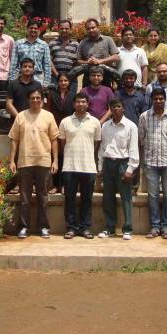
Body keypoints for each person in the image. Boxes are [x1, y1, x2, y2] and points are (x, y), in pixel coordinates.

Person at [8, 88, 60, 239]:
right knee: (24, 198)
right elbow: (14, 140)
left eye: (38, 98)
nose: (35, 100)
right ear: (28, 100)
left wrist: (55, 160)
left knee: (42, 197)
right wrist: (12, 160)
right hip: (25, 161)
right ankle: (23, 227)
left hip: (43, 161)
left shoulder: (48, 116)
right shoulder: (20, 117)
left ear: (42, 100)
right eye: (32, 98)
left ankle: (43, 227)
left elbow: (54, 140)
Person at [138, 87, 167, 239]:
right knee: (153, 195)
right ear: (152, 100)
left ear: (165, 100)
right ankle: (155, 226)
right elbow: (141, 139)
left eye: (161, 99)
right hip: (151, 161)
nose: (158, 101)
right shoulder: (144, 117)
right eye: (156, 99)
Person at [59, 92, 102, 239]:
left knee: (87, 199)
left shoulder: (95, 122)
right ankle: (71, 228)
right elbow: (62, 143)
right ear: (73, 104)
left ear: (88, 104)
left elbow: (96, 143)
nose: (81, 104)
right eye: (78, 102)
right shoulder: (65, 122)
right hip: (70, 166)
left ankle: (85, 228)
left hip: (88, 166)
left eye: (84, 102)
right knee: (69, 199)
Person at [98, 99, 139, 240]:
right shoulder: (105, 127)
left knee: (126, 197)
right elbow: (103, 148)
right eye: (113, 107)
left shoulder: (130, 126)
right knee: (107, 198)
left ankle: (127, 228)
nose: (115, 109)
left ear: (123, 108)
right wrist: (100, 167)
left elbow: (133, 149)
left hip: (123, 163)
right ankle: (109, 228)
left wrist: (130, 169)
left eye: (118, 107)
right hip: (108, 163)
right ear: (109, 109)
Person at [116, 69, 149, 192]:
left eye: (131, 78)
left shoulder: (140, 96)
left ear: (135, 80)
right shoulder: (118, 94)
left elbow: (143, 115)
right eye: (127, 78)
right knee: (121, 156)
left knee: (135, 157)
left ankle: (134, 185)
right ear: (123, 80)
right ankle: (120, 183)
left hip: (135, 131)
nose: (129, 80)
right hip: (120, 130)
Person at [46, 72, 76, 193]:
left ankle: (64, 185)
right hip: (54, 128)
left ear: (69, 83)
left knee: (66, 156)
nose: (63, 83)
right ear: (57, 82)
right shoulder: (52, 95)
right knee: (55, 156)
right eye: (61, 81)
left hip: (69, 129)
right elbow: (48, 111)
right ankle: (54, 186)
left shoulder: (74, 95)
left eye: (65, 81)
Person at [72, 18, 120, 87]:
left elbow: (116, 57)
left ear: (98, 27)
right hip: (88, 77)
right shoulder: (83, 42)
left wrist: (100, 61)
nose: (91, 30)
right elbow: (77, 60)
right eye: (88, 29)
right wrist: (87, 62)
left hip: (105, 75)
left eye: (93, 27)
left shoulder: (108, 39)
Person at [9, 19, 51, 86]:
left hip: (38, 79)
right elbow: (13, 64)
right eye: (31, 28)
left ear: (38, 30)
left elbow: (47, 65)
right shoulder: (18, 43)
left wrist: (46, 82)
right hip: (21, 79)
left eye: (35, 28)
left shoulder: (44, 45)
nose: (33, 30)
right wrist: (12, 81)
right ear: (27, 29)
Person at [49, 19, 79, 88]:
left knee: (70, 98)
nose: (64, 30)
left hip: (71, 78)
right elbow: (49, 61)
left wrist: (71, 74)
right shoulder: (52, 43)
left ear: (70, 29)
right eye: (62, 28)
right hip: (55, 77)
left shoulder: (76, 44)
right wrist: (57, 75)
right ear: (58, 29)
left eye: (66, 28)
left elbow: (78, 61)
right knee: (55, 98)